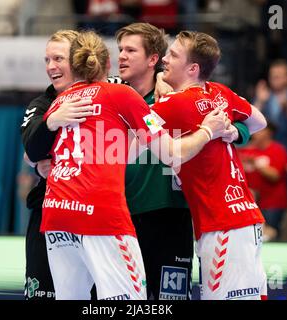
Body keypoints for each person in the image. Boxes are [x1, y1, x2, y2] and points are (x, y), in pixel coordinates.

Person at [40, 30, 236, 300]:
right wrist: (207, 131)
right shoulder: (121, 94)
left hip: (55, 214)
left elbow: (113, 153)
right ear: (106, 63)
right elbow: (171, 154)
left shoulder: (59, 102)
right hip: (99, 214)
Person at [116, 22, 251, 300]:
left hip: (171, 211)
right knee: (124, 297)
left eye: (130, 50)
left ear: (153, 59)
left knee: (171, 297)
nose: (121, 56)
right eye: (120, 50)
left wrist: (235, 132)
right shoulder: (114, 95)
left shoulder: (176, 96)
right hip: (123, 214)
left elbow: (242, 122)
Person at [151, 30, 268, 300]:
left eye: (173, 55)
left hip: (223, 224)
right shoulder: (220, 93)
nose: (165, 59)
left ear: (192, 68)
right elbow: (260, 121)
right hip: (243, 216)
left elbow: (136, 123)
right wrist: (235, 132)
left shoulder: (174, 103)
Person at [20, 30, 96, 300]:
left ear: (78, 60)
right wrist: (54, 120)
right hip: (48, 217)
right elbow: (31, 148)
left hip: (95, 219)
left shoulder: (105, 93)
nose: (51, 66)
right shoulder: (42, 104)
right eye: (47, 59)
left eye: (58, 58)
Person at [238, 122, 287, 241]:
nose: (255, 132)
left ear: (268, 132)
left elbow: (275, 176)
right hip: (250, 204)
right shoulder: (246, 150)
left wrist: (256, 163)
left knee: (270, 235)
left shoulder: (278, 150)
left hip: (272, 203)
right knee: (250, 237)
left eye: (259, 130)